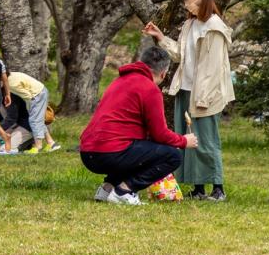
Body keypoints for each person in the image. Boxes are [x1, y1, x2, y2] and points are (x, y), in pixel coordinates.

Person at [143, 0, 234, 201]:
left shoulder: (214, 27)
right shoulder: (190, 24)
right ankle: (199, 188)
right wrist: (161, 38)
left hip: (205, 94)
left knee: (206, 139)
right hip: (185, 89)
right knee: (188, 139)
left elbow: (213, 69)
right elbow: (180, 56)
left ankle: (218, 189)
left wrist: (202, 98)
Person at [79, 46, 198, 205]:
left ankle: (107, 188)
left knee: (139, 150)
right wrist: (183, 141)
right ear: (163, 73)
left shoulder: (120, 81)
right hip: (110, 152)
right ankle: (124, 191)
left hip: (88, 152)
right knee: (172, 156)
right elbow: (160, 134)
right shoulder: (150, 89)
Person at [6, 69, 60, 153]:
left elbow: (28, 96)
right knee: (38, 120)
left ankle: (38, 146)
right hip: (40, 91)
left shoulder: (11, 84)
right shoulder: (11, 75)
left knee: (34, 120)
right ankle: (51, 143)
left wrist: (30, 110)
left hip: (37, 94)